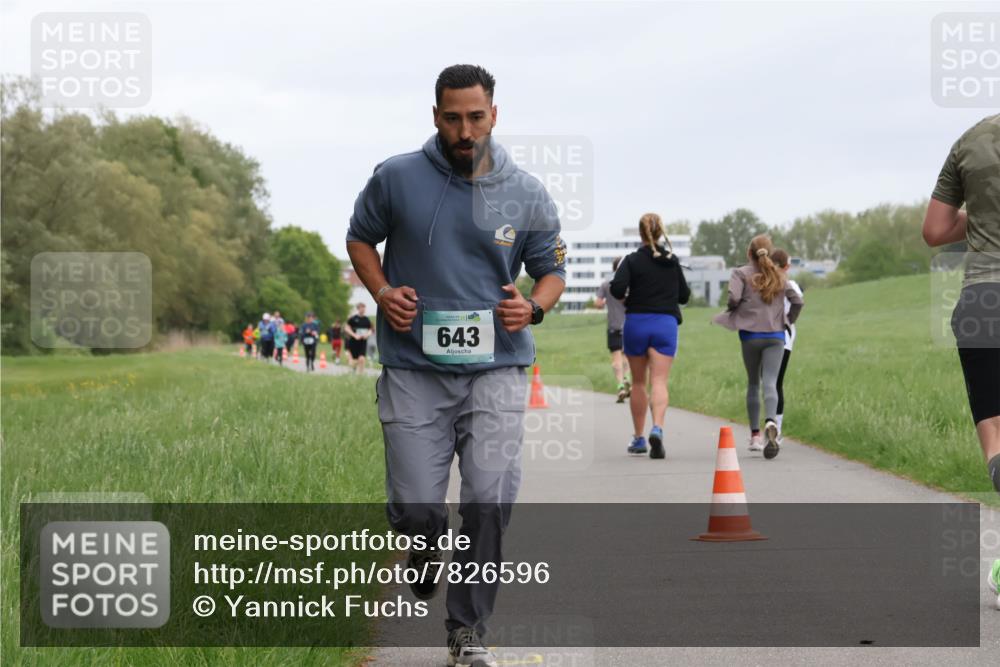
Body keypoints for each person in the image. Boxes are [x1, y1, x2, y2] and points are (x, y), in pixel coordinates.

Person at [346, 64, 566, 667]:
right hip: (414, 368)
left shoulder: (526, 191)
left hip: (496, 367)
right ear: (435, 116)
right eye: (452, 118)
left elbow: (551, 270)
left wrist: (534, 306)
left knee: (488, 499)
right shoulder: (396, 178)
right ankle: (422, 547)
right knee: (418, 503)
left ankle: (468, 632)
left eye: (476, 116)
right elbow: (360, 239)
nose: (465, 130)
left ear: (494, 114)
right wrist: (383, 291)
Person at [923, 113, 1000, 494]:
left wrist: (979, 218)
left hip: (982, 300)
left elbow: (935, 230)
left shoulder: (970, 141)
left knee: (996, 431)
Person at [713, 235, 803, 459]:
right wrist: (788, 320)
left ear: (748, 253)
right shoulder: (778, 274)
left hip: (750, 335)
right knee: (771, 382)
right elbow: (798, 301)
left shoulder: (740, 273)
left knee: (754, 382)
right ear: (768, 252)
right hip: (775, 335)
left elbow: (733, 298)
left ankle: (754, 436)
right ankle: (771, 422)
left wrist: (736, 308)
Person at [610, 214, 690, 459]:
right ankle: (658, 427)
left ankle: (639, 438)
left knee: (637, 383)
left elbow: (616, 289)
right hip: (665, 324)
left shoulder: (631, 260)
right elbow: (684, 296)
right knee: (659, 381)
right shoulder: (671, 260)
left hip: (637, 323)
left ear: (641, 234)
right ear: (660, 232)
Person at [770, 249, 803, 443]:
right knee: (777, 383)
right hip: (785, 337)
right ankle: (777, 429)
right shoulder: (791, 285)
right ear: (787, 267)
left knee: (767, 383)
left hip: (765, 335)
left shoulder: (764, 284)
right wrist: (788, 321)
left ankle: (765, 427)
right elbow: (799, 302)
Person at [594, 257, 631, 403]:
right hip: (629, 326)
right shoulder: (630, 285)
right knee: (627, 356)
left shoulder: (606, 285)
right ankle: (628, 378)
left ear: (613, 268)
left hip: (613, 326)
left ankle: (621, 386)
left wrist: (603, 303)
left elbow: (597, 303)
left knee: (616, 357)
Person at [345, 303, 373, 375]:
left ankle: (361, 374)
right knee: (354, 360)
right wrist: (354, 335)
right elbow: (346, 328)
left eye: (364, 308)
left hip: (363, 342)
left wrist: (367, 335)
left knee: (362, 359)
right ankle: (353, 371)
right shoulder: (353, 318)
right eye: (361, 308)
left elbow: (370, 330)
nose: (363, 309)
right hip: (354, 342)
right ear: (358, 309)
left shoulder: (367, 319)